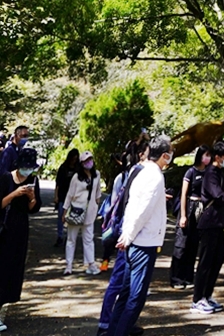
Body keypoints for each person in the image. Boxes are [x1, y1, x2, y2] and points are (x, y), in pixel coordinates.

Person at [104, 134, 173, 336]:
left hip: (135, 240)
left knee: (126, 294)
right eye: (170, 152)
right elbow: (141, 210)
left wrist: (127, 234)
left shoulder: (143, 171)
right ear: (164, 155)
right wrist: (129, 235)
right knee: (136, 296)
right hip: (142, 242)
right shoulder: (155, 176)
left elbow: (133, 206)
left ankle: (113, 332)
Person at [96, 143, 150, 336]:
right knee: (119, 281)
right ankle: (106, 324)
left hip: (127, 231)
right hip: (124, 232)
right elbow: (119, 207)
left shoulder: (134, 175)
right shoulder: (129, 176)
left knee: (126, 283)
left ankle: (119, 322)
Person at [0, 145, 41, 333]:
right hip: (4, 228)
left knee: (13, 270)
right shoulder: (5, 178)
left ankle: (2, 309)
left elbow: (34, 208)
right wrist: (15, 193)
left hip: (20, 229)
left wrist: (31, 197)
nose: (28, 170)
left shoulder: (33, 179)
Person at [191, 139, 224, 315]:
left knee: (218, 259)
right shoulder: (211, 174)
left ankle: (207, 295)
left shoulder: (220, 173)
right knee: (206, 261)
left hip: (218, 222)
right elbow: (219, 195)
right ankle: (197, 299)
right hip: (209, 222)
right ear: (218, 157)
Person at [171, 144, 211, 288]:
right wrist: (183, 215)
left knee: (193, 245)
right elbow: (184, 194)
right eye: (205, 155)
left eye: (209, 155)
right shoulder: (190, 172)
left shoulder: (208, 172)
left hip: (201, 210)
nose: (207, 158)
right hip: (189, 207)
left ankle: (188, 277)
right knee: (181, 245)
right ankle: (176, 278)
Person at [63, 150, 103, 275]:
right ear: (81, 163)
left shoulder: (96, 174)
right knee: (71, 239)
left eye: (90, 159)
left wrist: (97, 205)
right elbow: (69, 195)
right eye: (86, 161)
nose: (89, 162)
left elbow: (98, 193)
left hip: (89, 212)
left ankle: (91, 264)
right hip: (76, 211)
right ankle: (69, 265)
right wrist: (64, 212)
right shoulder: (76, 177)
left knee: (88, 239)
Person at [54, 148, 80, 248]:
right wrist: (56, 196)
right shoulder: (63, 168)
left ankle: (69, 238)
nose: (74, 161)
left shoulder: (78, 169)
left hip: (75, 197)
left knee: (72, 218)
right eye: (72, 159)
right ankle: (60, 236)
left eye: (75, 159)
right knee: (61, 216)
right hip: (63, 196)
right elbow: (58, 183)